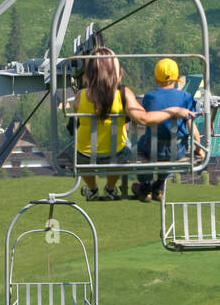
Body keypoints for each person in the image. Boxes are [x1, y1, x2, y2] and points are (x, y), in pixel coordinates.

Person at [71, 48, 196, 201]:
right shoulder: (123, 94)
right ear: (115, 71)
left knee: (83, 156)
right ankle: (110, 188)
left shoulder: (80, 96)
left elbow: (76, 118)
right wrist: (173, 111)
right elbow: (144, 119)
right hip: (114, 156)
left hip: (84, 156)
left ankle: (92, 189)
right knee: (123, 151)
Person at [131, 58, 203, 202]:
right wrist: (198, 147)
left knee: (139, 146)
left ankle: (145, 187)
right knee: (169, 156)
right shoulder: (186, 97)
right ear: (177, 79)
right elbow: (191, 125)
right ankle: (159, 185)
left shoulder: (149, 97)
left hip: (152, 147)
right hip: (177, 149)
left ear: (155, 77)